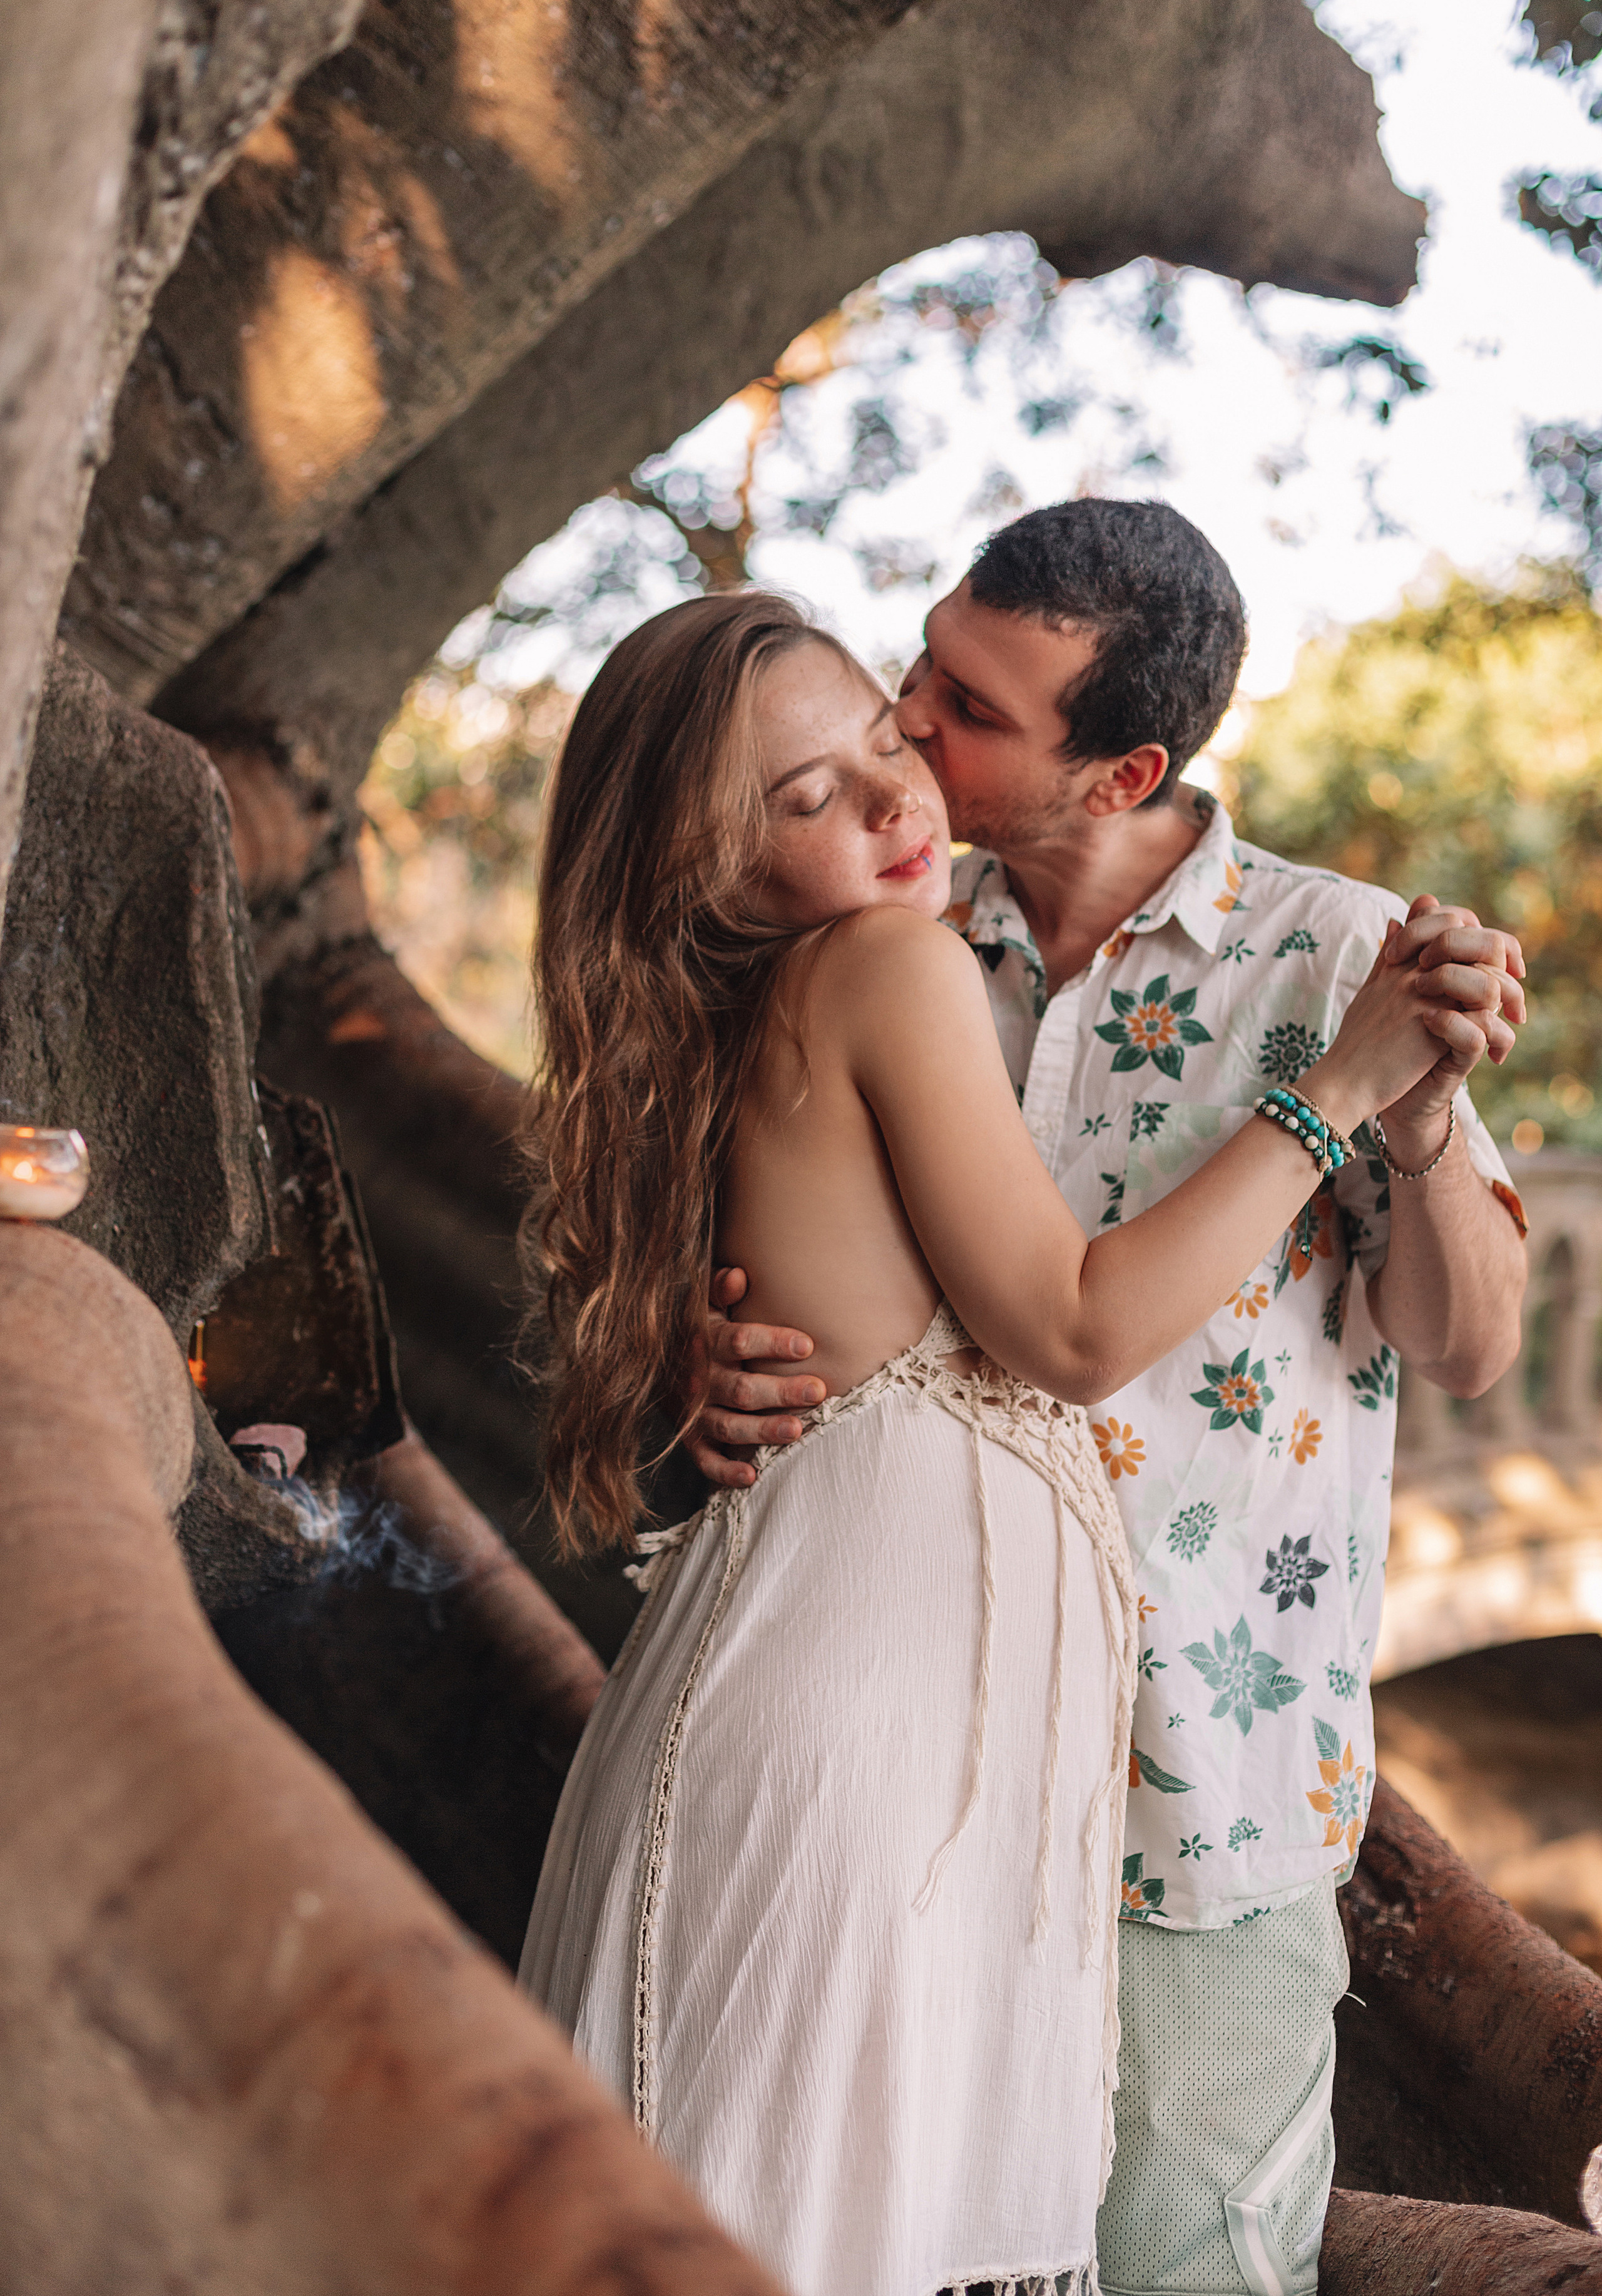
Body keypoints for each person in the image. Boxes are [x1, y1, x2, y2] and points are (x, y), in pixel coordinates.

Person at [519, 586, 1511, 2296]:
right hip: (909, 1776)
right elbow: (1057, 1329)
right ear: (712, 857)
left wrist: (1398, 1098)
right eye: (827, 773)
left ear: (1122, 769)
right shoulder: (909, 935)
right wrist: (718, 1349)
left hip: (1196, 1778)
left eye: (919, 730)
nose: (908, 779)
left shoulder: (1338, 956)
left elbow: (1477, 1344)